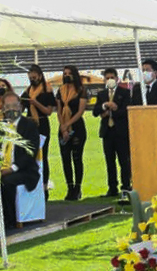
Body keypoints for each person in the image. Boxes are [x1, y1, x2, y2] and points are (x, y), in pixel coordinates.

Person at [0, 93, 41, 228]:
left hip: (24, 170)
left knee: (6, 182)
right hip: (0, 168)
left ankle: (9, 221)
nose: (11, 109)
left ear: (20, 107)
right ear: (3, 109)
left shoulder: (29, 125)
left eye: (14, 106)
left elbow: (30, 153)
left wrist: (11, 169)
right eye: (8, 107)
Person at [92, 68, 132, 197]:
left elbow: (126, 111)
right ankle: (112, 188)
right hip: (107, 132)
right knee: (110, 161)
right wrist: (104, 106)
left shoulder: (124, 92)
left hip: (121, 132)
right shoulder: (101, 94)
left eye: (112, 77)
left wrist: (112, 111)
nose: (110, 80)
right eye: (107, 78)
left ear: (117, 79)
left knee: (124, 161)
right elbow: (95, 111)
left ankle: (126, 187)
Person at [20, 64, 57, 200]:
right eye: (30, 78)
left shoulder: (47, 89)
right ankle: (31, 185)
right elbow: (21, 106)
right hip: (30, 125)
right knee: (30, 155)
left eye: (34, 78)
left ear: (40, 76)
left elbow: (48, 111)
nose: (32, 80)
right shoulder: (28, 90)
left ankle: (45, 186)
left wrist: (35, 103)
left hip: (42, 124)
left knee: (43, 156)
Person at [56, 65, 88, 201]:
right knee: (65, 158)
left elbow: (80, 111)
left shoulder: (81, 90)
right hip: (63, 127)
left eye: (69, 73)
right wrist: (63, 127)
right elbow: (59, 110)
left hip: (77, 127)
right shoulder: (60, 91)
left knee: (77, 158)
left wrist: (68, 124)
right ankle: (69, 187)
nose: (67, 76)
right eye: (65, 73)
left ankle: (77, 188)